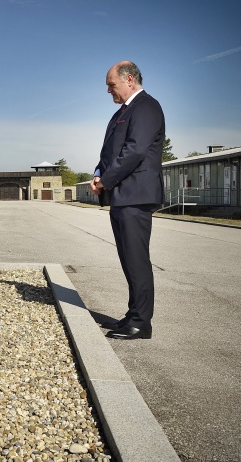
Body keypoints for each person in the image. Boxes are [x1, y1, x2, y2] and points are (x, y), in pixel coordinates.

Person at [90, 61, 165, 340]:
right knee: (128, 259)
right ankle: (133, 314)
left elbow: (134, 151)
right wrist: (98, 174)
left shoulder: (146, 107)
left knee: (137, 260)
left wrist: (106, 180)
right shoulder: (122, 112)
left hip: (136, 195)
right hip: (123, 196)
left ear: (129, 79)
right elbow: (110, 151)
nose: (109, 90)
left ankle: (141, 323)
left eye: (112, 84)